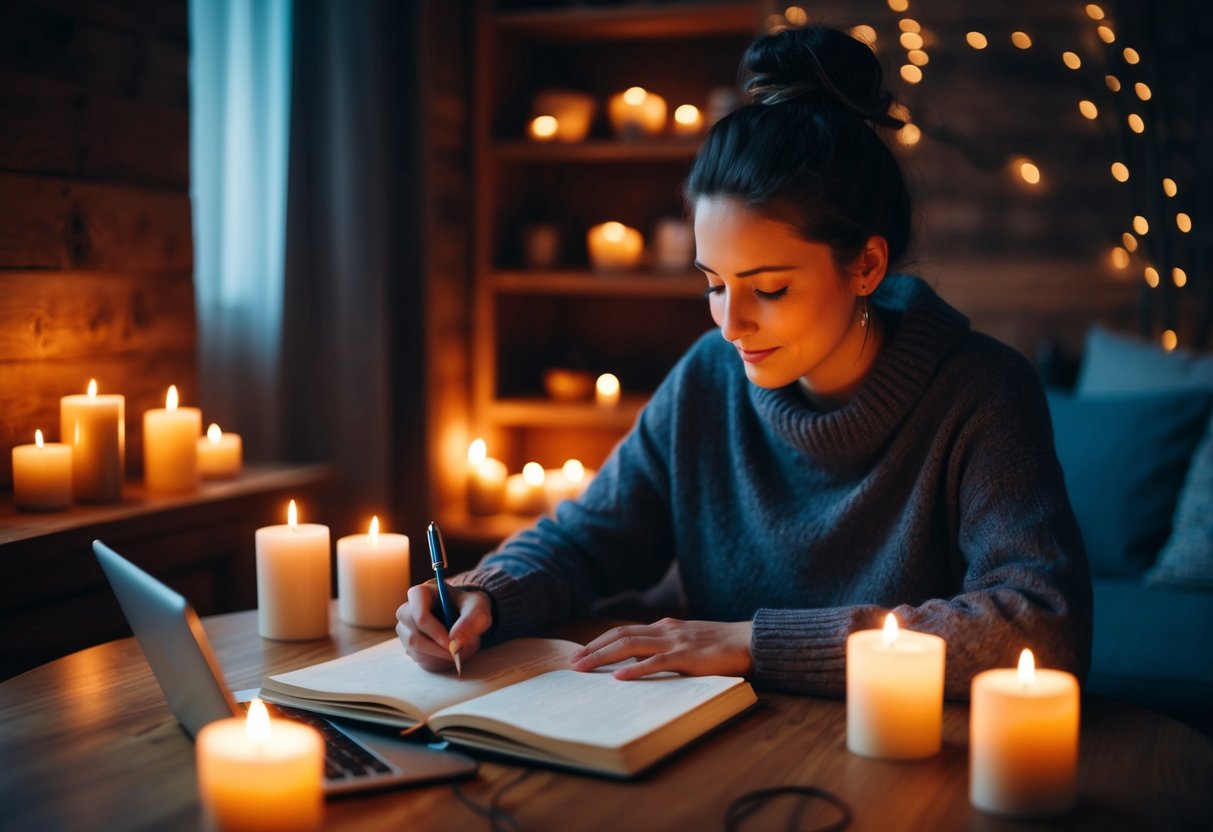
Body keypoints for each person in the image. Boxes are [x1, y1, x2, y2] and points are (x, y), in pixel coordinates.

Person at [397, 24, 1092, 699]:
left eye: (768, 289)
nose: (730, 325)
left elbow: (1042, 624)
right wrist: (482, 595)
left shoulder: (980, 392)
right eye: (713, 284)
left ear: (866, 266)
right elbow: (586, 539)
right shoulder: (710, 375)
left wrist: (753, 643)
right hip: (722, 745)